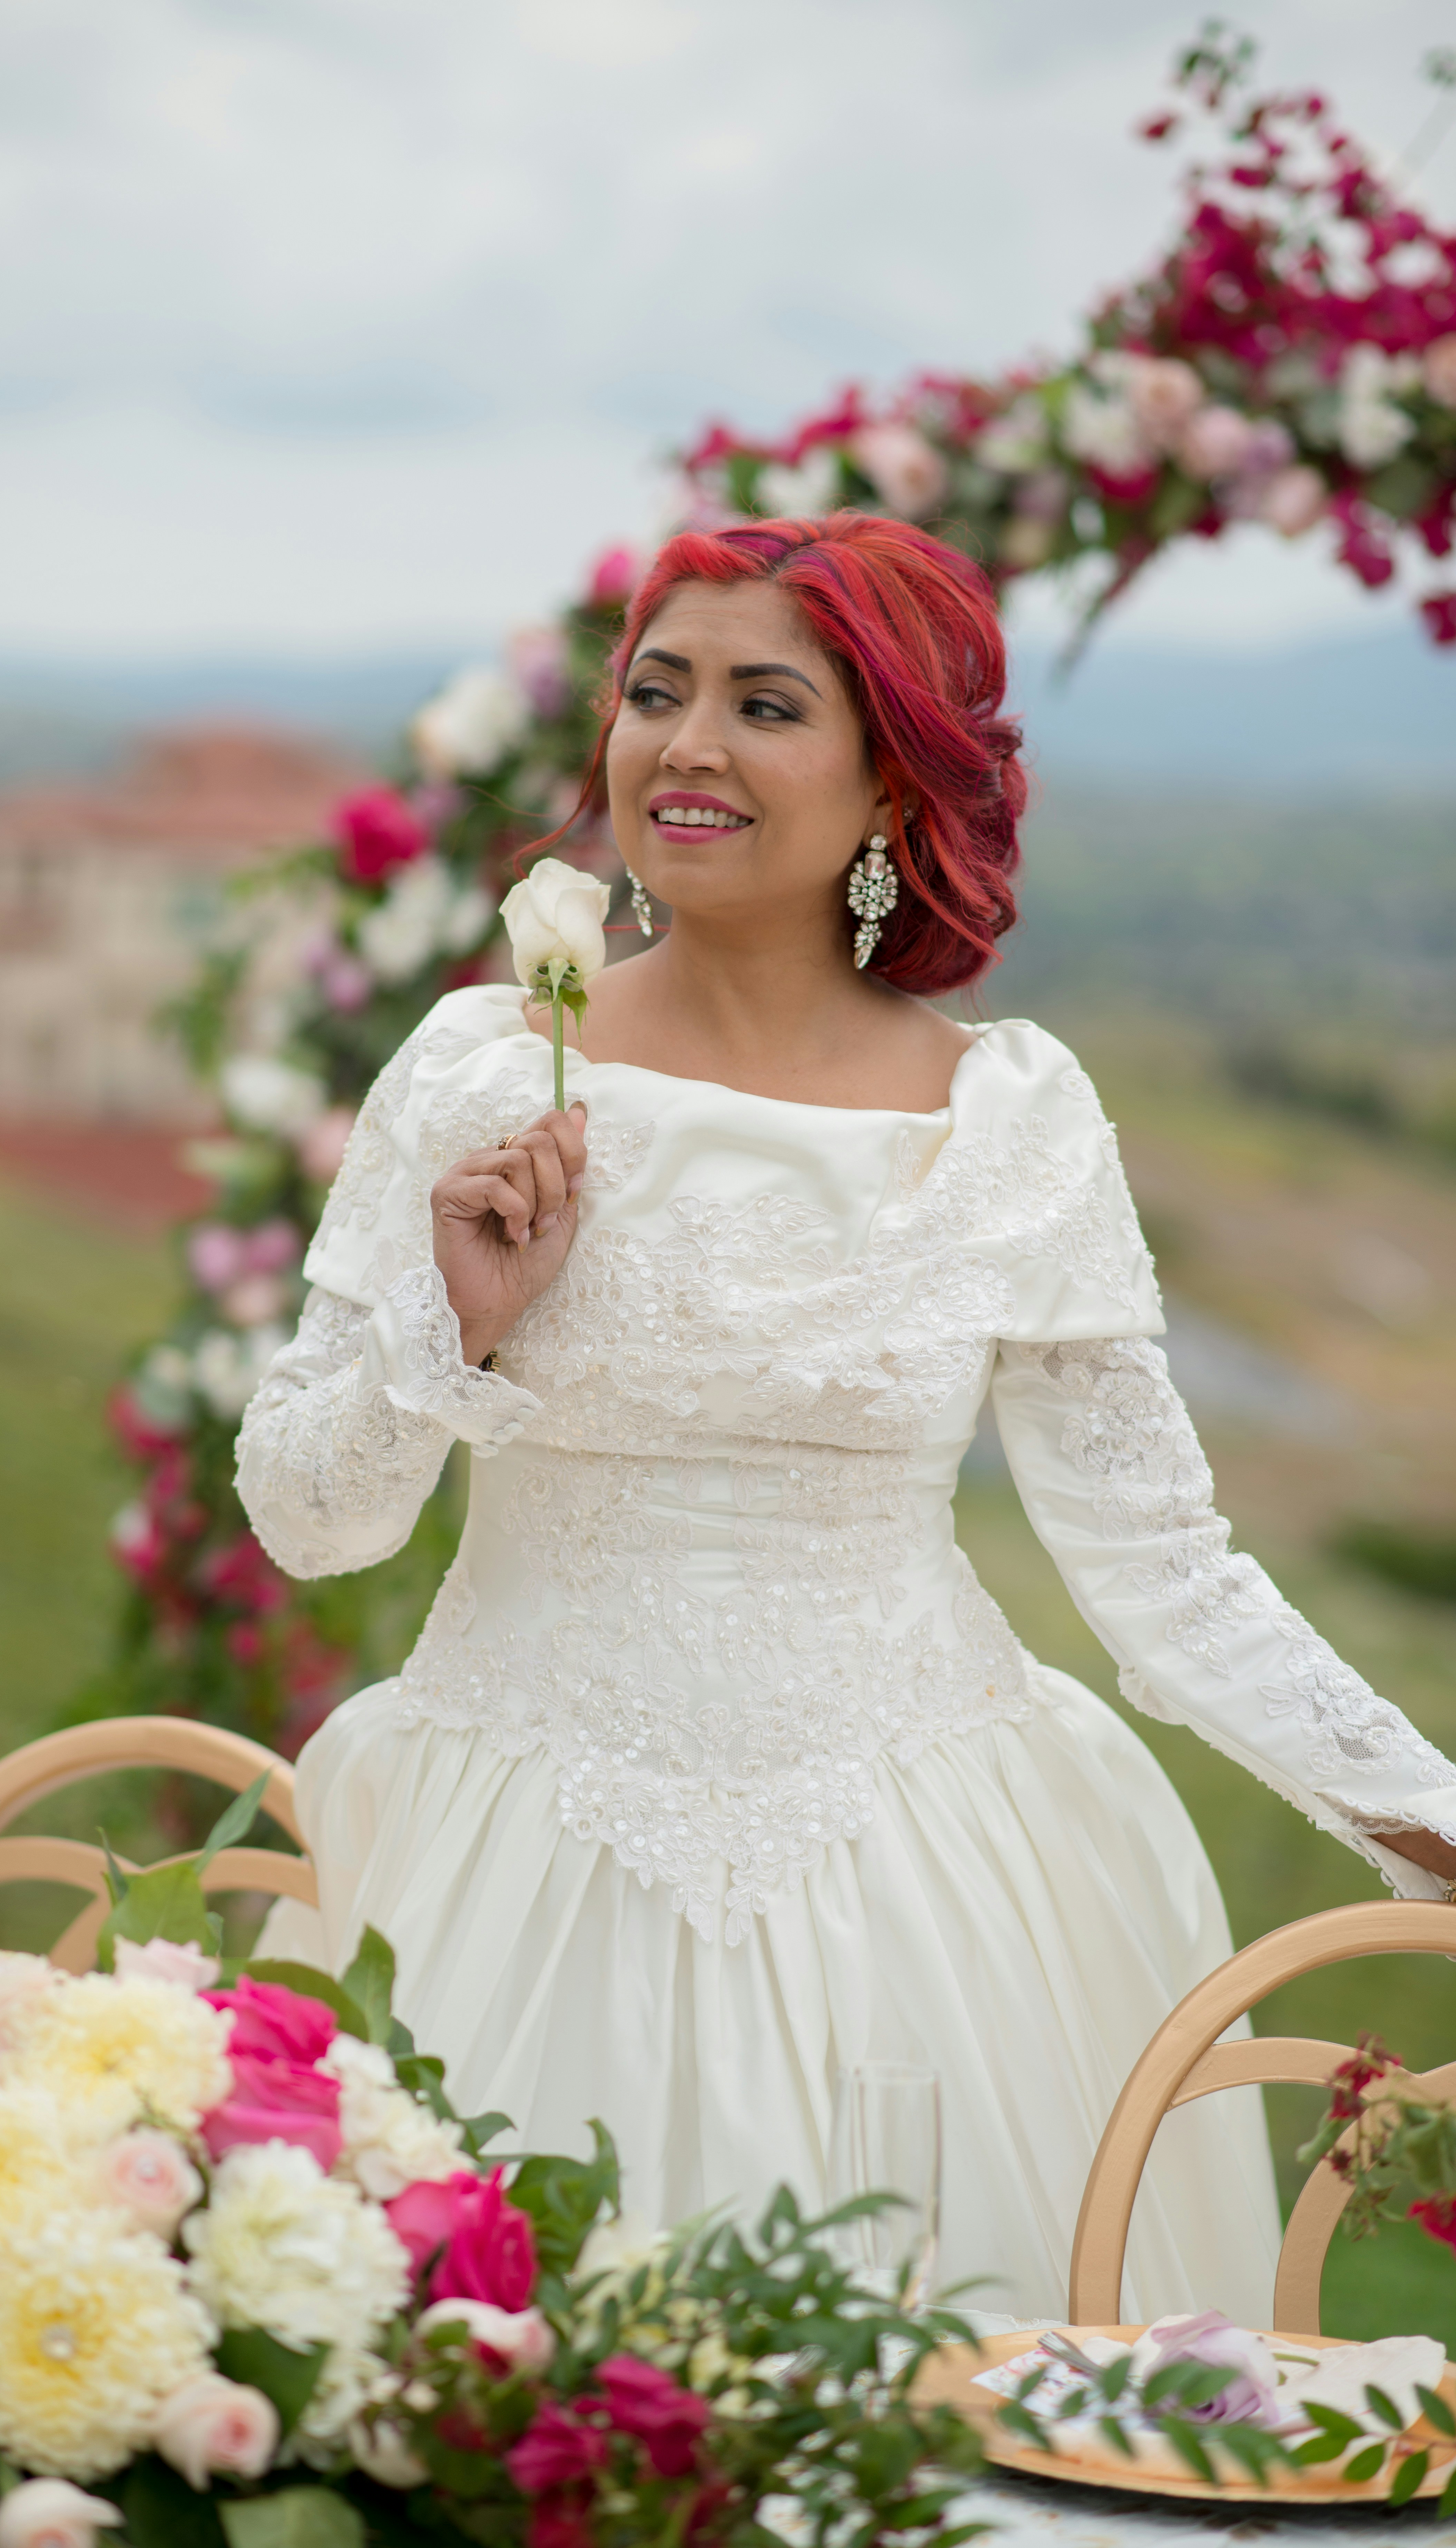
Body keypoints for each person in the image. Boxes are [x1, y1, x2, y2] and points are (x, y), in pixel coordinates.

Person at [240, 512, 1456, 2324]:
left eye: (764, 703)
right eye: (656, 693)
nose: (689, 746)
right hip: (504, 1864)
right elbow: (309, 1518)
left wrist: (1434, 1824)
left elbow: (1167, 1576)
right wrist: (458, 1325)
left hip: (937, 1900)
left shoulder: (1017, 1121)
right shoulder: (486, 1073)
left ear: (895, 779)